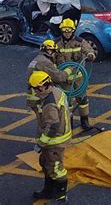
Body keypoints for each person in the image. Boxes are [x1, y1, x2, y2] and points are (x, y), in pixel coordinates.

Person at [28, 71, 71, 201]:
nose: (34, 91)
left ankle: (61, 198)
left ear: (41, 87)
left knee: (56, 169)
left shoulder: (49, 104)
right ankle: (48, 191)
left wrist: (41, 143)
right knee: (46, 163)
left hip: (55, 142)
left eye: (35, 88)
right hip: (55, 139)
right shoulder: (55, 91)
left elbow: (52, 126)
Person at [56, 18, 95, 131]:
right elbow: (51, 57)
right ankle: (69, 123)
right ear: (61, 31)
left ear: (73, 31)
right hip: (64, 79)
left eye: (69, 31)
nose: (67, 34)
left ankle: (85, 121)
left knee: (83, 100)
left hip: (78, 78)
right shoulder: (56, 43)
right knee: (67, 103)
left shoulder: (80, 41)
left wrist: (91, 55)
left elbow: (88, 50)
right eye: (65, 31)